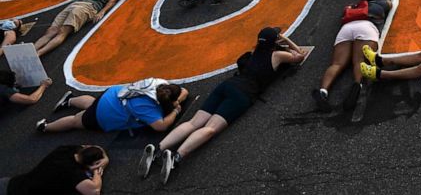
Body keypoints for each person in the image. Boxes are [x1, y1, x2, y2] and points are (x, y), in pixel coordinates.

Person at [144, 28, 305, 185]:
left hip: (227, 85)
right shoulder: (277, 55)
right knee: (211, 128)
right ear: (275, 41)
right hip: (243, 94)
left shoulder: (253, 54)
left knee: (194, 123)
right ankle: (176, 157)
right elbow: (299, 56)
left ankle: (158, 148)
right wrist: (287, 40)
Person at [313, 0, 392, 109]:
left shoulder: (351, 7)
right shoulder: (377, 5)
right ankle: (357, 85)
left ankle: (323, 91)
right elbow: (389, 3)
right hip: (366, 27)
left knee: (337, 64)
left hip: (346, 29)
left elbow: (345, 12)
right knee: (359, 61)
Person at [36, 80, 188, 134]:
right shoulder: (147, 108)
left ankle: (69, 100)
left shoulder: (160, 83)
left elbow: (184, 92)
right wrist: (175, 110)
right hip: (105, 114)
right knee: (77, 120)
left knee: (92, 104)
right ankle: (45, 127)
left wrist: (176, 101)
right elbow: (160, 126)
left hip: (113, 95)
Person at [34, 0, 124, 58]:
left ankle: (38, 54)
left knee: (63, 31)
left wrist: (102, 12)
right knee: (51, 30)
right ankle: (32, 51)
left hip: (87, 6)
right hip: (74, 4)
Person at [3, 144, 109, 194]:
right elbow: (94, 191)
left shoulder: (65, 150)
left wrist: (103, 159)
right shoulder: (74, 173)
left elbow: (95, 147)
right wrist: (97, 170)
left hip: (11, 183)